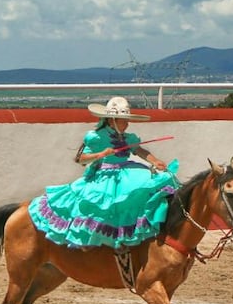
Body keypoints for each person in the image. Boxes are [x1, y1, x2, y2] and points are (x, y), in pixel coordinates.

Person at [27, 96, 179, 250]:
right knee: (104, 205)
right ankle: (98, 240)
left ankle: (132, 234)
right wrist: (101, 155)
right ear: (112, 120)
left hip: (127, 172)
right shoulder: (96, 137)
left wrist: (155, 161)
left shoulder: (129, 138)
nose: (127, 123)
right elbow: (80, 159)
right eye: (123, 120)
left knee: (151, 185)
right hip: (105, 175)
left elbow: (139, 150)